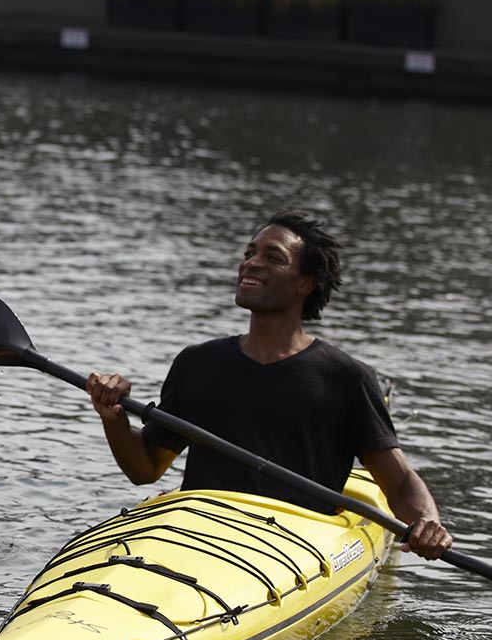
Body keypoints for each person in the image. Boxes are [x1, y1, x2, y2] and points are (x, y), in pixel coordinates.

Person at [85, 210, 452, 559]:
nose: (251, 263)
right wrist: (113, 417)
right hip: (196, 531)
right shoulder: (198, 363)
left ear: (306, 283)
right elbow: (145, 469)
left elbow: (400, 484)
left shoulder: (346, 378)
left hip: (293, 544)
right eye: (248, 253)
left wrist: (428, 523)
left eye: (273, 257)